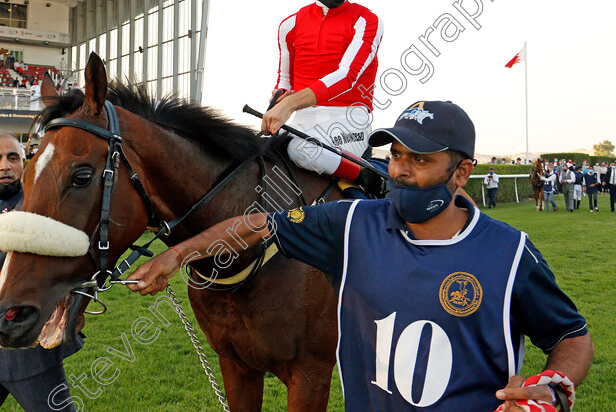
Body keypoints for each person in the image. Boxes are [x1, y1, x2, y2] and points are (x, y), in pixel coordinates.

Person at [127, 100, 594, 411]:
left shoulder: (509, 253)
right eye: (396, 155)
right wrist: (178, 255)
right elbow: (255, 225)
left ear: (462, 172)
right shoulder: (350, 223)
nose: (401, 171)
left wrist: (552, 387)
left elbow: (572, 336)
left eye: (421, 160)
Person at [0, 131, 81, 411]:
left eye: (13, 158)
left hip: (26, 351)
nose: (5, 166)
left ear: (24, 162)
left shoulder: (37, 209)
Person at [261, 0, 384, 197]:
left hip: (350, 120)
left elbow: (347, 76)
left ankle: (369, 176)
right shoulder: (289, 25)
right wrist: (275, 106)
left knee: (300, 150)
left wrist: (290, 105)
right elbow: (285, 82)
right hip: (302, 123)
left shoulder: (367, 20)